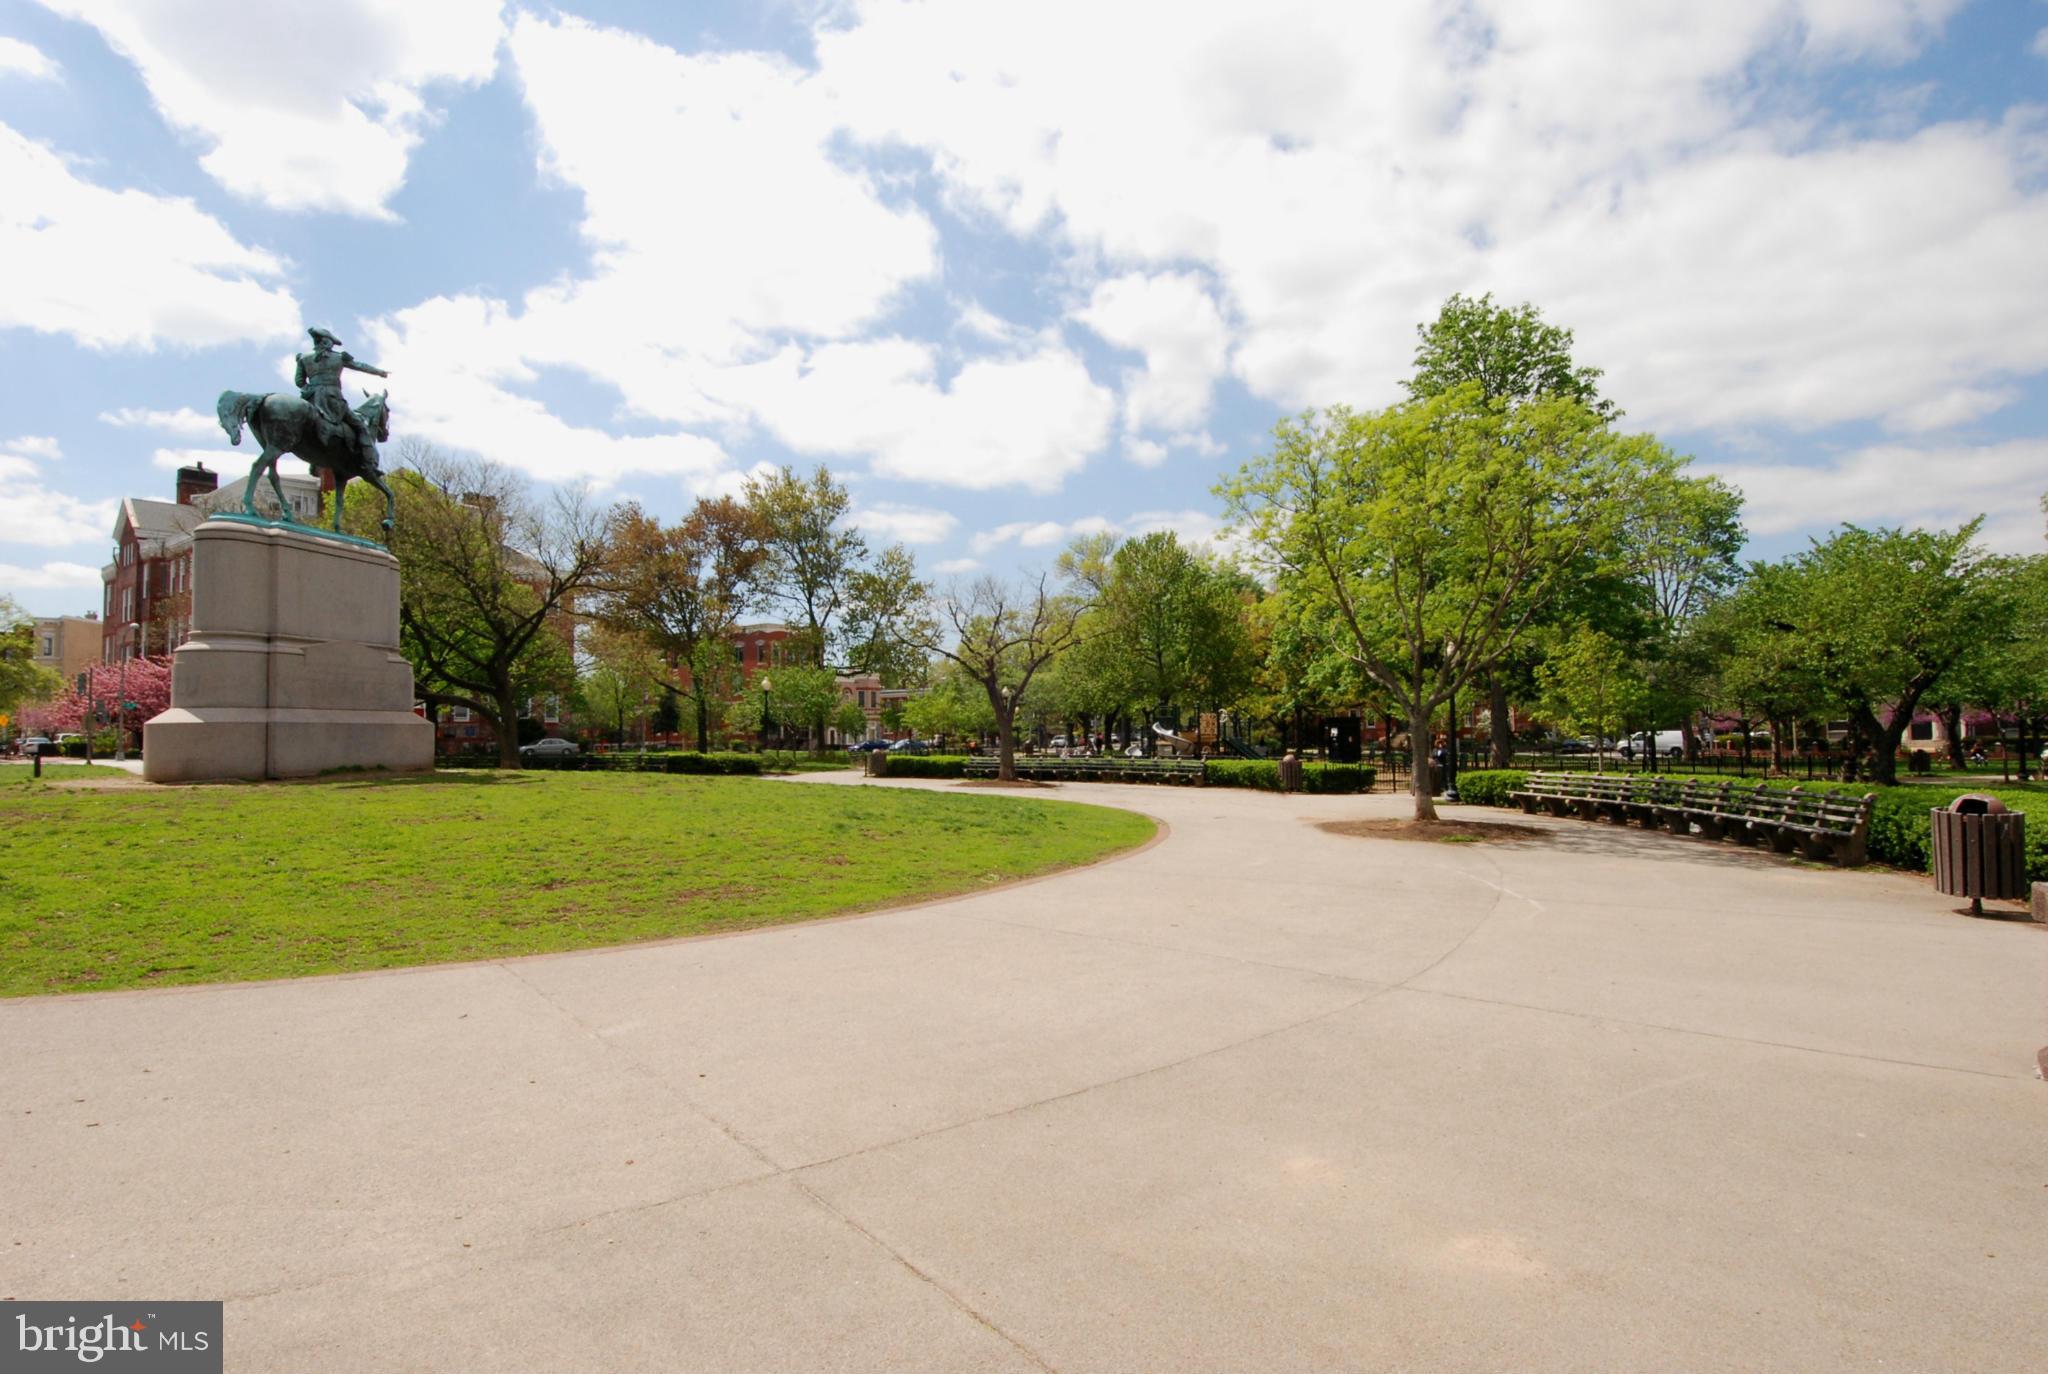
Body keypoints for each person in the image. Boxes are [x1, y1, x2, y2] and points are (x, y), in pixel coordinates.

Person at [294, 327, 389, 463]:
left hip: (311, 399)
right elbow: (360, 365)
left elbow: (299, 382)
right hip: (333, 400)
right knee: (360, 426)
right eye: (331, 342)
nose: (332, 345)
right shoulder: (339, 357)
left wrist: (310, 389)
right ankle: (369, 462)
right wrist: (380, 372)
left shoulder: (303, 358)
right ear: (326, 341)